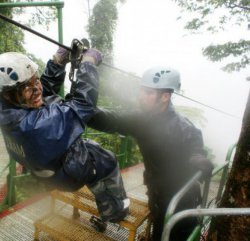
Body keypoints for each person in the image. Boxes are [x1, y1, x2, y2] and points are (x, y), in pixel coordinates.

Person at [0, 48, 130, 223]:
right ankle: (116, 210)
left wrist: (57, 63)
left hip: (47, 170)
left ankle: (98, 187)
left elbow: (40, 93)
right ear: (8, 94)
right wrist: (88, 64)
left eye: (36, 80)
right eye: (27, 87)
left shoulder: (9, 110)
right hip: (68, 176)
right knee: (108, 160)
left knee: (54, 105)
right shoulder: (38, 126)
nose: (37, 89)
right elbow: (83, 105)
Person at [88, 67, 214, 240]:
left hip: (182, 200)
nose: (141, 96)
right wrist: (79, 110)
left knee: (177, 235)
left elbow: (195, 146)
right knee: (159, 232)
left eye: (148, 92)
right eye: (142, 91)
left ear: (165, 97)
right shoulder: (141, 119)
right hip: (157, 195)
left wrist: (197, 157)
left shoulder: (183, 127)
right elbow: (111, 119)